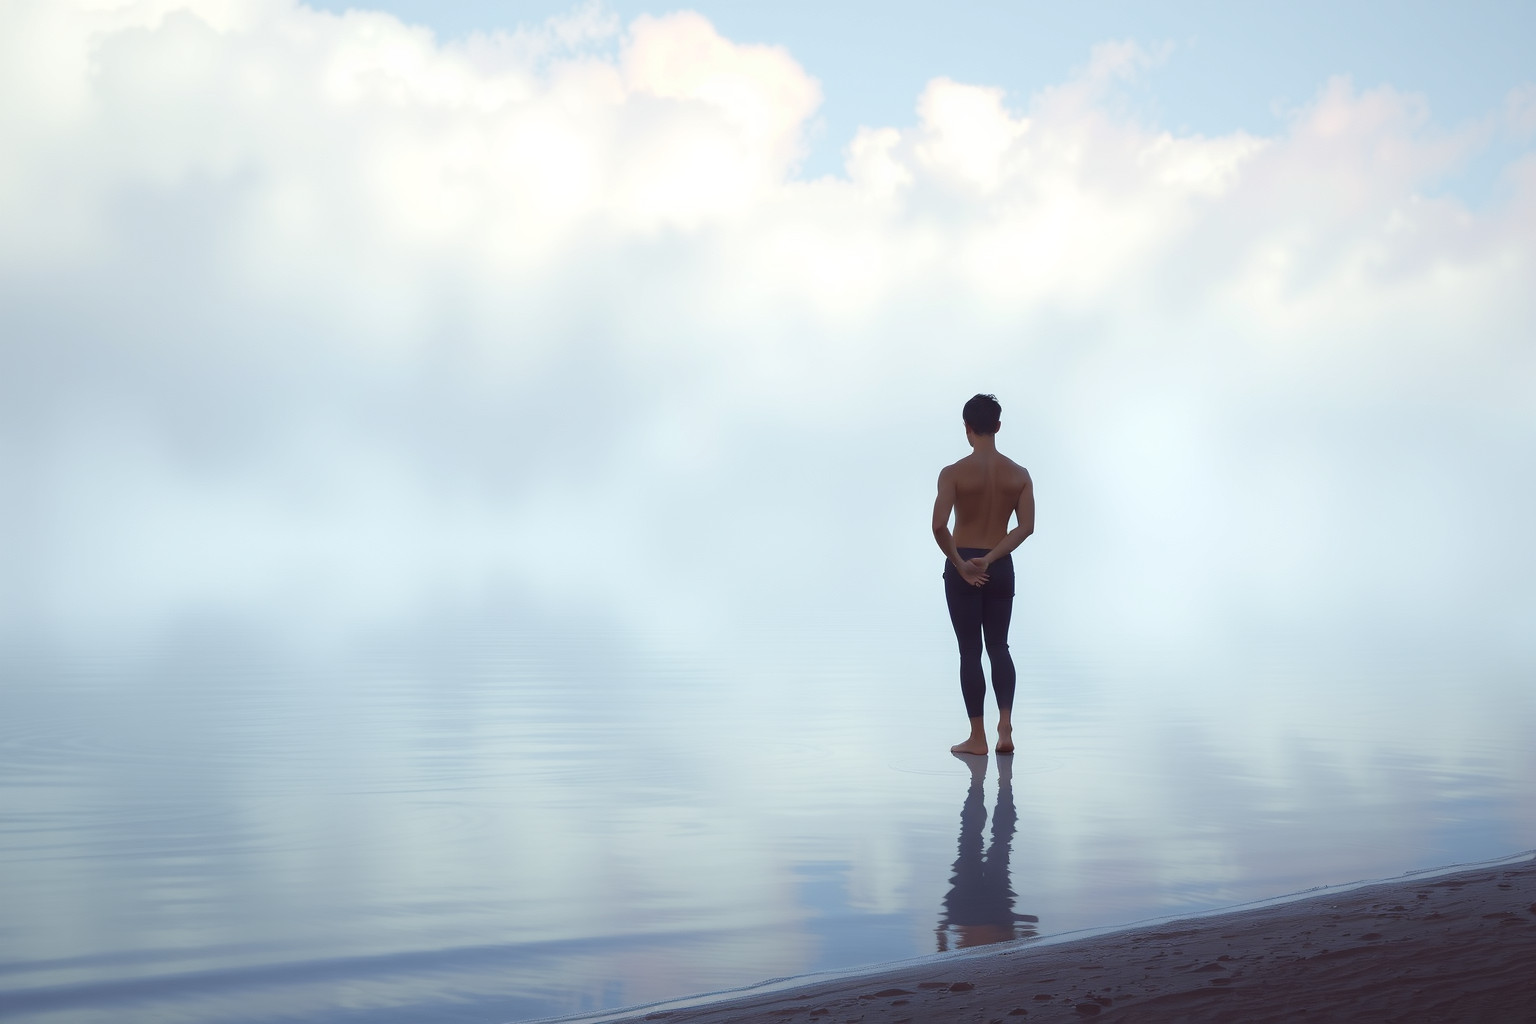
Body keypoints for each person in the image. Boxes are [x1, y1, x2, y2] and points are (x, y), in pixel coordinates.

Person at [931, 394, 1034, 755]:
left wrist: (962, 564)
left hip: (963, 565)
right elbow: (1026, 528)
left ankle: (978, 738)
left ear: (967, 428)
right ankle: (1005, 725)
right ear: (999, 427)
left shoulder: (953, 473)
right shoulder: (1019, 475)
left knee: (970, 652)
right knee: (999, 647)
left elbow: (939, 527)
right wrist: (991, 558)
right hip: (999, 565)